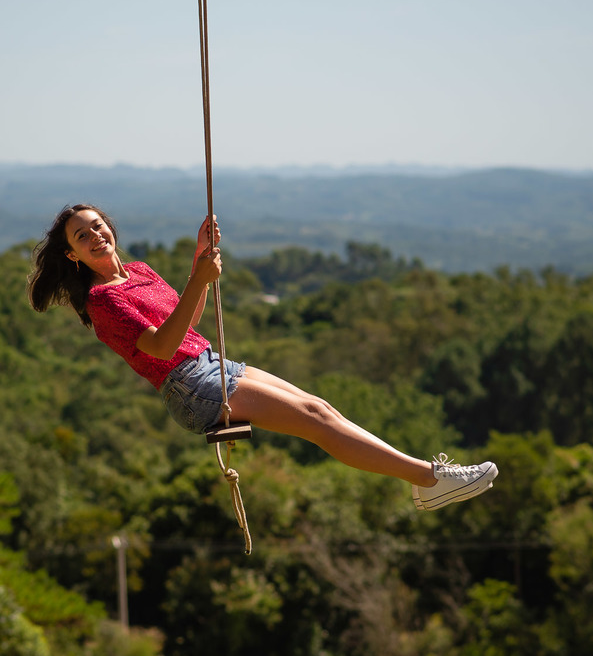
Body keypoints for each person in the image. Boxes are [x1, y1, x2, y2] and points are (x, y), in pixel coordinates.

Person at [28, 203, 497, 510]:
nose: (95, 236)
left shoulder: (139, 272)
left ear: (110, 227)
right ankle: (431, 480)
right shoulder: (103, 302)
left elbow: (183, 325)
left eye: (96, 226)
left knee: (322, 407)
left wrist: (197, 262)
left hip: (209, 364)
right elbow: (162, 347)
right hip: (191, 387)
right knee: (315, 417)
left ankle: (423, 480)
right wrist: (200, 279)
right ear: (71, 255)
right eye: (81, 236)